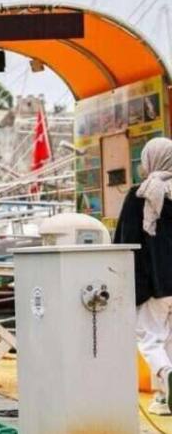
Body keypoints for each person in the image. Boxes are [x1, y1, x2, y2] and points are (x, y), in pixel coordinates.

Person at [115, 137, 172, 415]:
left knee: (149, 338)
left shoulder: (140, 195)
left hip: (156, 283)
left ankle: (165, 374)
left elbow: (126, 242)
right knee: (170, 339)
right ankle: (164, 398)